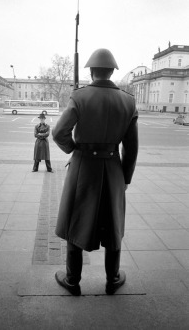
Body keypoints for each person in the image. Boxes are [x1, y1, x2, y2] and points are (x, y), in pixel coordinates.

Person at [52, 48, 138, 296]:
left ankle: (72, 281)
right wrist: (125, 177)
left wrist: (74, 150)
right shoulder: (128, 100)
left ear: (91, 71)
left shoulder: (80, 97)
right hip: (113, 168)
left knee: (76, 219)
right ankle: (112, 279)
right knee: (114, 222)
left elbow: (59, 133)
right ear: (112, 71)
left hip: (83, 167)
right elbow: (131, 148)